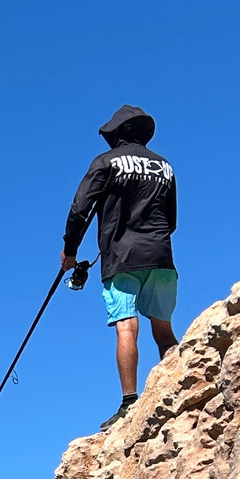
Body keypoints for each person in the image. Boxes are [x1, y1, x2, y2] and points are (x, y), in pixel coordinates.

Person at [62, 105, 178, 429]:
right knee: (163, 329)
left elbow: (80, 209)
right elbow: (172, 220)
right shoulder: (165, 166)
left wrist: (70, 251)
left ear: (117, 133)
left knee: (126, 327)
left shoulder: (106, 162)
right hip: (160, 255)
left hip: (122, 257)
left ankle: (129, 403)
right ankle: (180, 386)